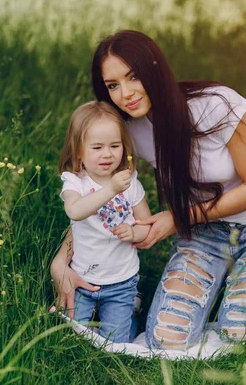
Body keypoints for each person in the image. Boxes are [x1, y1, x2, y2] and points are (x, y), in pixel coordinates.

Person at [50, 30, 246, 350]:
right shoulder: (128, 131)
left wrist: (177, 218)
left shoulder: (217, 104)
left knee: (240, 335)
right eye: (113, 85)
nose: (125, 93)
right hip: (205, 232)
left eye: (133, 76)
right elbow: (101, 196)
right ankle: (233, 279)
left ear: (154, 68)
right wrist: (61, 261)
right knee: (166, 338)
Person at [56, 101, 152, 343]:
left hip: (122, 282)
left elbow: (145, 223)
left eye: (115, 146)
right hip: (82, 280)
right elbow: (75, 211)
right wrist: (110, 189)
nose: (107, 154)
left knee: (117, 344)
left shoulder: (129, 183)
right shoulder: (76, 182)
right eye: (97, 147)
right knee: (72, 339)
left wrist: (134, 233)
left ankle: (132, 310)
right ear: (79, 152)